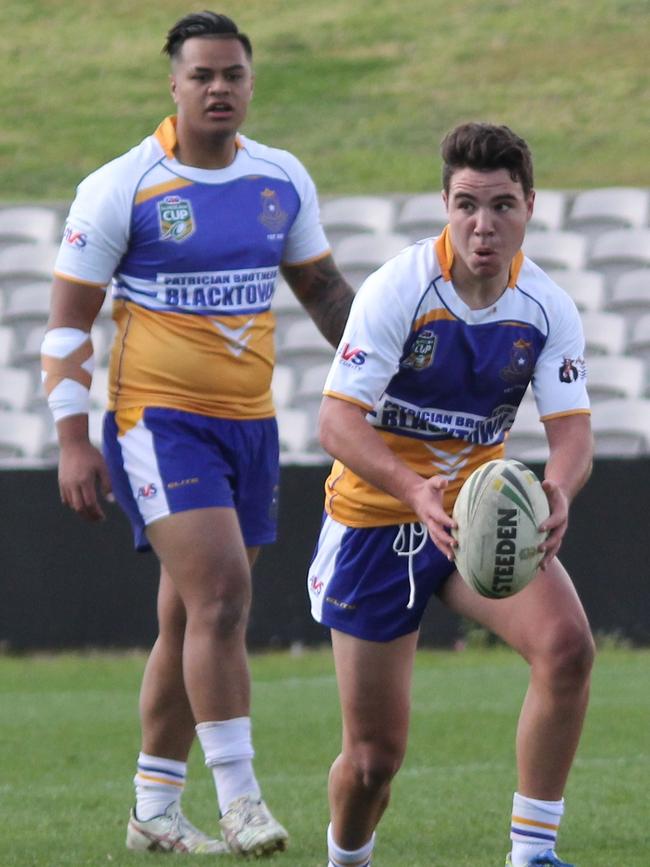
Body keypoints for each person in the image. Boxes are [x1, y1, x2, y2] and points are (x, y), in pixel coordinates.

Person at [41, 10, 354, 858]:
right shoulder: (122, 186)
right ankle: (241, 799)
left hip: (250, 427)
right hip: (155, 424)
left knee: (188, 622)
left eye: (234, 75)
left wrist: (387, 366)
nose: (219, 88)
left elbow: (326, 295)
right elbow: (67, 327)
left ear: (251, 84)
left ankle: (152, 808)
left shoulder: (280, 180)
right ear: (173, 86)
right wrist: (74, 441)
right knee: (221, 596)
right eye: (202, 75)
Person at [307, 122, 595, 867]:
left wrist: (557, 490)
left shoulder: (546, 306)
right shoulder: (399, 288)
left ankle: (532, 854)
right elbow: (336, 423)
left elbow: (572, 434)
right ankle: (347, 859)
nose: (482, 224)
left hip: (478, 514)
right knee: (373, 761)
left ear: (530, 205)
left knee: (566, 649)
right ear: (444, 202)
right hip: (378, 520)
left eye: (502, 205)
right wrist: (412, 488)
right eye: (466, 203)